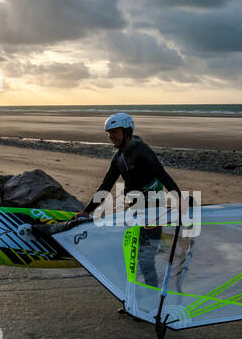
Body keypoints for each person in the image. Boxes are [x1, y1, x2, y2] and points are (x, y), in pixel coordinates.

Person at [34, 112, 181, 289]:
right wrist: (88, 210)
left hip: (153, 210)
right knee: (131, 256)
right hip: (135, 210)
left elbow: (163, 175)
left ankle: (151, 298)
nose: (111, 137)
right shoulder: (119, 157)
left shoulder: (142, 151)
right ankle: (135, 295)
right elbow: (105, 186)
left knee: (145, 259)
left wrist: (179, 199)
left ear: (127, 131)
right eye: (109, 133)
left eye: (114, 132)